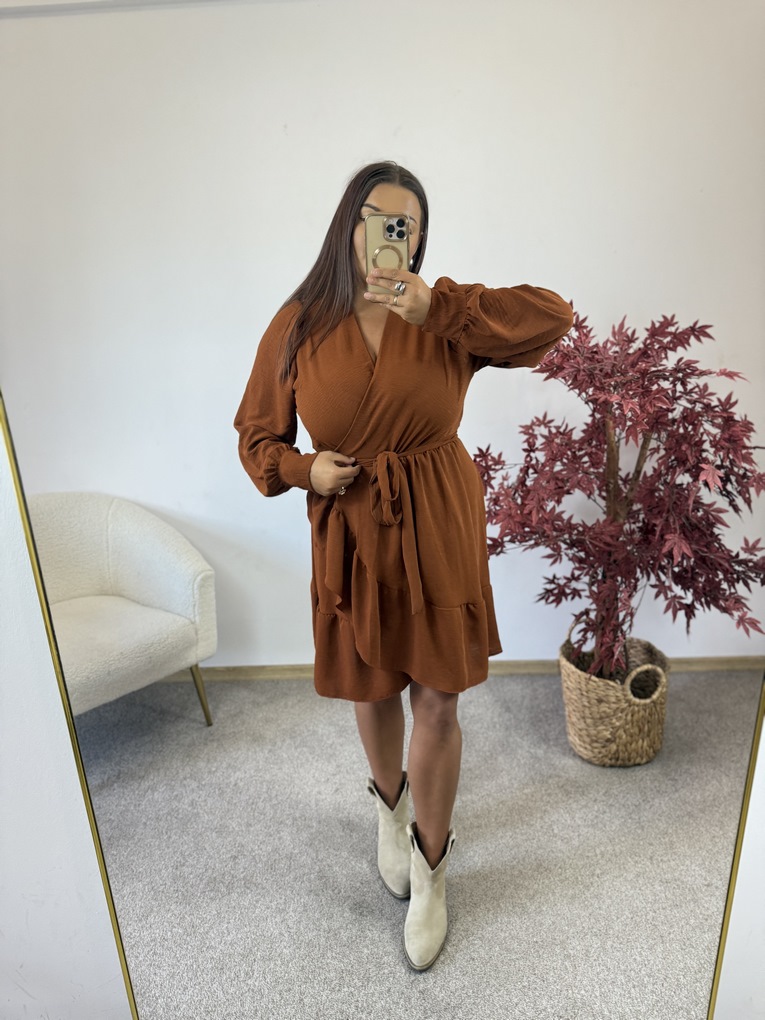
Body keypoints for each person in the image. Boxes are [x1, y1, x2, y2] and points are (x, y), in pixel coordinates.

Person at [234, 161, 573, 971]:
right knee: (372, 684)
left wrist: (440, 307)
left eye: (405, 224)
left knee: (440, 698)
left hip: (438, 518)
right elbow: (256, 436)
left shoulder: (445, 315)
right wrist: (302, 470)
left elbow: (553, 318)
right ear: (347, 224)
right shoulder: (298, 323)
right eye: (375, 217)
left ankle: (430, 870)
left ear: (417, 238)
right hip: (351, 527)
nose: (389, 235)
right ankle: (389, 811)